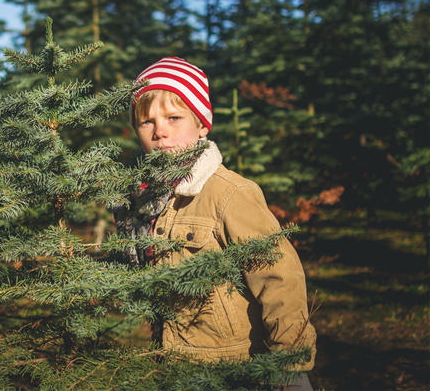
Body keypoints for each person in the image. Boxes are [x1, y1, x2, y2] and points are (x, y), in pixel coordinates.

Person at [114, 57, 317, 391]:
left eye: (173, 118)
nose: (159, 131)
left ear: (202, 125)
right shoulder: (144, 200)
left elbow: (280, 278)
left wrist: (289, 366)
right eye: (145, 122)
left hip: (233, 366)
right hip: (173, 363)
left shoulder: (229, 194)